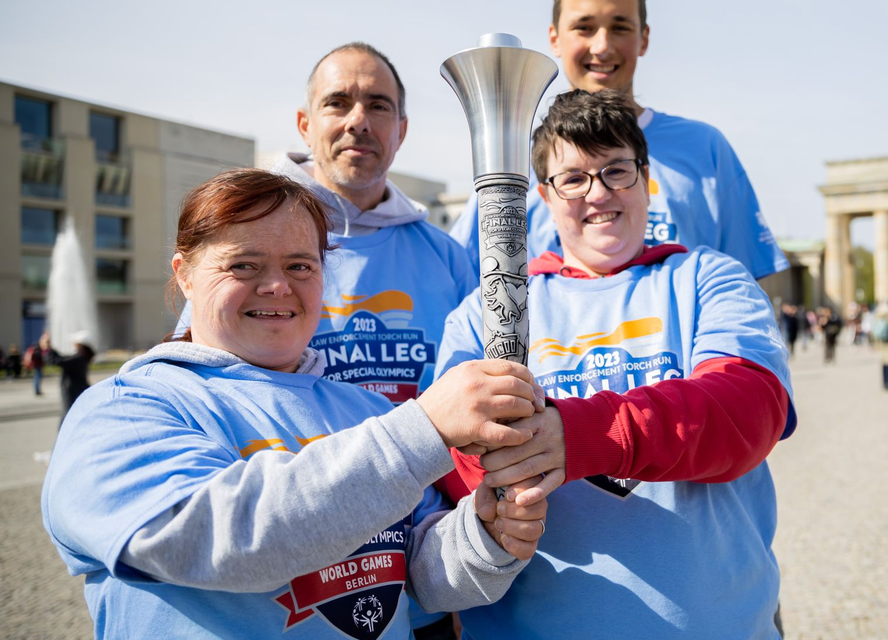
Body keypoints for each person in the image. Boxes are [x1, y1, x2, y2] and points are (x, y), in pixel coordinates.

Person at [42, 169, 548, 640]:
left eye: (300, 265)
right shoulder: (122, 410)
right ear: (185, 274)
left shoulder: (366, 410)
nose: (278, 285)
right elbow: (229, 542)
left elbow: (415, 577)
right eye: (243, 264)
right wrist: (426, 430)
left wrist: (480, 539)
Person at [437, 89, 795, 639]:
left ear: (646, 179)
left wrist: (570, 436)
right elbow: (452, 462)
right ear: (544, 197)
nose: (597, 192)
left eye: (616, 170)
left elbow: (746, 414)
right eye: (573, 178)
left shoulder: (710, 279)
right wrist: (488, 470)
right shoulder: (483, 314)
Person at [175, 44, 479, 636]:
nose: (358, 119)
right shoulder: (247, 234)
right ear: (304, 123)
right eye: (337, 101)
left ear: (402, 130)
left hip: (416, 542)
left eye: (378, 104)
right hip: (275, 534)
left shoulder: (447, 256)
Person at [449, 0, 789, 284]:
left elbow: (744, 291)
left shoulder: (705, 149)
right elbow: (462, 277)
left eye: (620, 27)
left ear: (644, 37)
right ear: (554, 37)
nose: (602, 46)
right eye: (584, 27)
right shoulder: (513, 162)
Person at [40, 331, 95, 427]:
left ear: (80, 345)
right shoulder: (81, 358)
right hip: (76, 389)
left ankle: (63, 440)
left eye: (75, 343)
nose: (73, 344)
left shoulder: (79, 359)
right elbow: (61, 358)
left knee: (67, 417)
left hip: (71, 390)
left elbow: (57, 361)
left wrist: (47, 348)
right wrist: (49, 348)